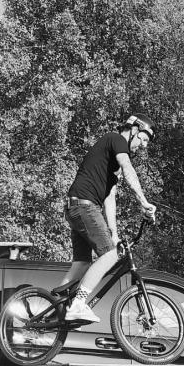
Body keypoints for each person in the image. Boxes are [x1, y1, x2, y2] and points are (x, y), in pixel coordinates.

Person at [60, 116, 158, 324]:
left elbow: (109, 197)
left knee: (82, 263)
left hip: (77, 207)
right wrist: (143, 201)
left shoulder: (112, 164)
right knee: (110, 255)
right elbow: (128, 167)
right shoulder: (116, 139)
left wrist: (114, 234)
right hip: (84, 205)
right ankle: (78, 305)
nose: (143, 146)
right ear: (133, 129)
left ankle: (55, 309)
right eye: (143, 139)